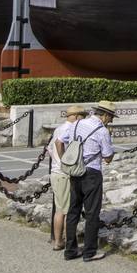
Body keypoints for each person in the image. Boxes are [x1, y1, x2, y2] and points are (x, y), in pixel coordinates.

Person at [63, 101, 116, 262]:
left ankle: (70, 250)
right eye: (111, 117)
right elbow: (107, 157)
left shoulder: (77, 123)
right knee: (92, 212)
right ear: (105, 115)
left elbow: (66, 141)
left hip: (75, 169)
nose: (111, 121)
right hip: (91, 172)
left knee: (73, 210)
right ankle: (89, 251)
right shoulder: (102, 131)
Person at [48, 105, 89, 252]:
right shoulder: (69, 129)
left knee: (60, 208)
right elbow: (59, 144)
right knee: (65, 210)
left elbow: (49, 149)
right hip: (63, 173)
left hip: (56, 172)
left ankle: (58, 239)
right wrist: (65, 162)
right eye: (83, 116)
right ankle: (64, 242)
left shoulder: (59, 128)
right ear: (77, 116)